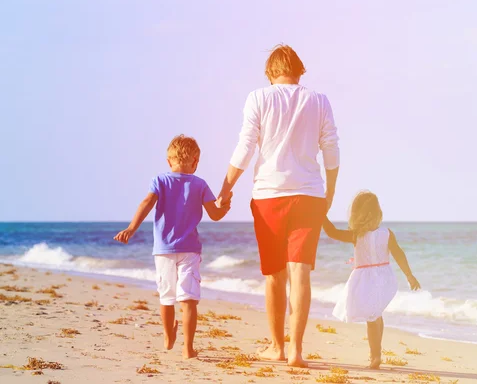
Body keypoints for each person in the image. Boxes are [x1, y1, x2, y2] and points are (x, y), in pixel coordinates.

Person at [216, 44, 340, 367]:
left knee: (274, 274)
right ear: (299, 71)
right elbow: (331, 150)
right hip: (309, 195)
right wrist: (330, 194)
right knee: (301, 273)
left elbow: (244, 148)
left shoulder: (258, 98)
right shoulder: (319, 100)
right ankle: (297, 351)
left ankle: (277, 347)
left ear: (270, 72)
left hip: (269, 196)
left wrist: (225, 189)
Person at [114, 134, 231, 359]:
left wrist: (131, 228)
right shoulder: (200, 184)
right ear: (196, 161)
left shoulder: (160, 181)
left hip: (163, 250)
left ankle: (168, 337)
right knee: (188, 300)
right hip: (190, 250)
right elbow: (215, 215)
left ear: (169, 161)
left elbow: (146, 203)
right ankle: (188, 349)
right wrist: (225, 206)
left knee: (166, 297)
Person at [322, 191, 421, 369]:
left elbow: (332, 232)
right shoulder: (386, 233)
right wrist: (409, 275)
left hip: (366, 280)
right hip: (384, 277)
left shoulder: (355, 234)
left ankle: (375, 356)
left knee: (372, 317)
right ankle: (377, 353)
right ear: (378, 212)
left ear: (356, 213)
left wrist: (321, 214)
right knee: (376, 314)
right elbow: (398, 253)